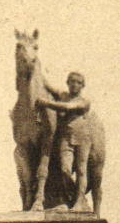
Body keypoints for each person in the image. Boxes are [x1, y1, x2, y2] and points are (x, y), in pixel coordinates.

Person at [37, 71, 99, 211]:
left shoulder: (84, 102)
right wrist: (37, 70)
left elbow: (66, 107)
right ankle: (75, 196)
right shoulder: (63, 95)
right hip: (66, 137)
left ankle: (79, 200)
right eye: (72, 81)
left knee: (81, 170)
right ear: (67, 83)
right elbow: (48, 85)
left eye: (78, 82)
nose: (74, 84)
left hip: (82, 137)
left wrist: (46, 103)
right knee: (65, 169)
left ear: (82, 85)